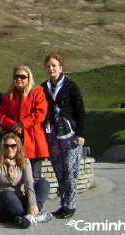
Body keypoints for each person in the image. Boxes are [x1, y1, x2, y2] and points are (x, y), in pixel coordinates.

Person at [41, 53, 86, 219]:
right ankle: (64, 203)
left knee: (70, 170)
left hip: (70, 134)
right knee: (59, 170)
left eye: (54, 65)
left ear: (61, 67)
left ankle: (71, 205)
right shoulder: (44, 88)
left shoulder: (70, 87)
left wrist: (81, 134)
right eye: (48, 66)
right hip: (52, 133)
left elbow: (80, 111)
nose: (51, 68)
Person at [0, 133, 52, 228]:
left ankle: (32, 214)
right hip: (5, 202)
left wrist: (33, 204)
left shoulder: (24, 161)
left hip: (20, 198)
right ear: (2, 148)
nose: (10, 149)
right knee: (7, 193)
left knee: (43, 183)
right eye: (6, 146)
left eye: (13, 146)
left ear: (18, 147)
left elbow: (29, 183)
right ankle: (30, 217)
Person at [0, 66, 49, 181]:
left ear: (29, 78)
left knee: (35, 176)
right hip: (15, 140)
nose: (19, 79)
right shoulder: (8, 96)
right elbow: (1, 114)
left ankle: (35, 199)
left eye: (23, 77)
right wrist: (13, 124)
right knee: (17, 176)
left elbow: (40, 112)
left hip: (33, 140)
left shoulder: (37, 92)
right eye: (16, 76)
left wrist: (23, 124)